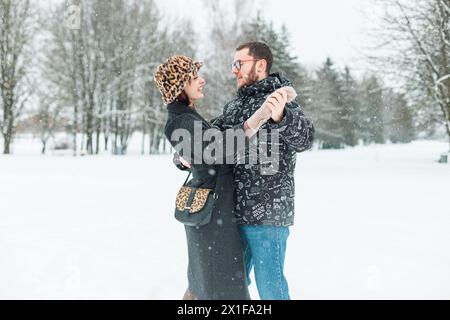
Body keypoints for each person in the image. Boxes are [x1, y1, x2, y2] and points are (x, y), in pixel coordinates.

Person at [154, 55, 290, 300]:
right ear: (179, 86)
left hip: (214, 211)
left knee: (213, 283)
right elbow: (221, 147)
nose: (201, 81)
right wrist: (259, 116)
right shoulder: (180, 120)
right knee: (219, 286)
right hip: (211, 215)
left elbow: (208, 144)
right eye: (194, 77)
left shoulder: (187, 116)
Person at [209, 42, 315, 300]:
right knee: (231, 288)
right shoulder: (233, 106)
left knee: (271, 288)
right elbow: (207, 141)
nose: (234, 70)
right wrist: (183, 156)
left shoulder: (281, 100)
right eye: (233, 64)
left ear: (261, 65)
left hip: (268, 216)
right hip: (231, 215)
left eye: (239, 63)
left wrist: (281, 117)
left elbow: (306, 139)